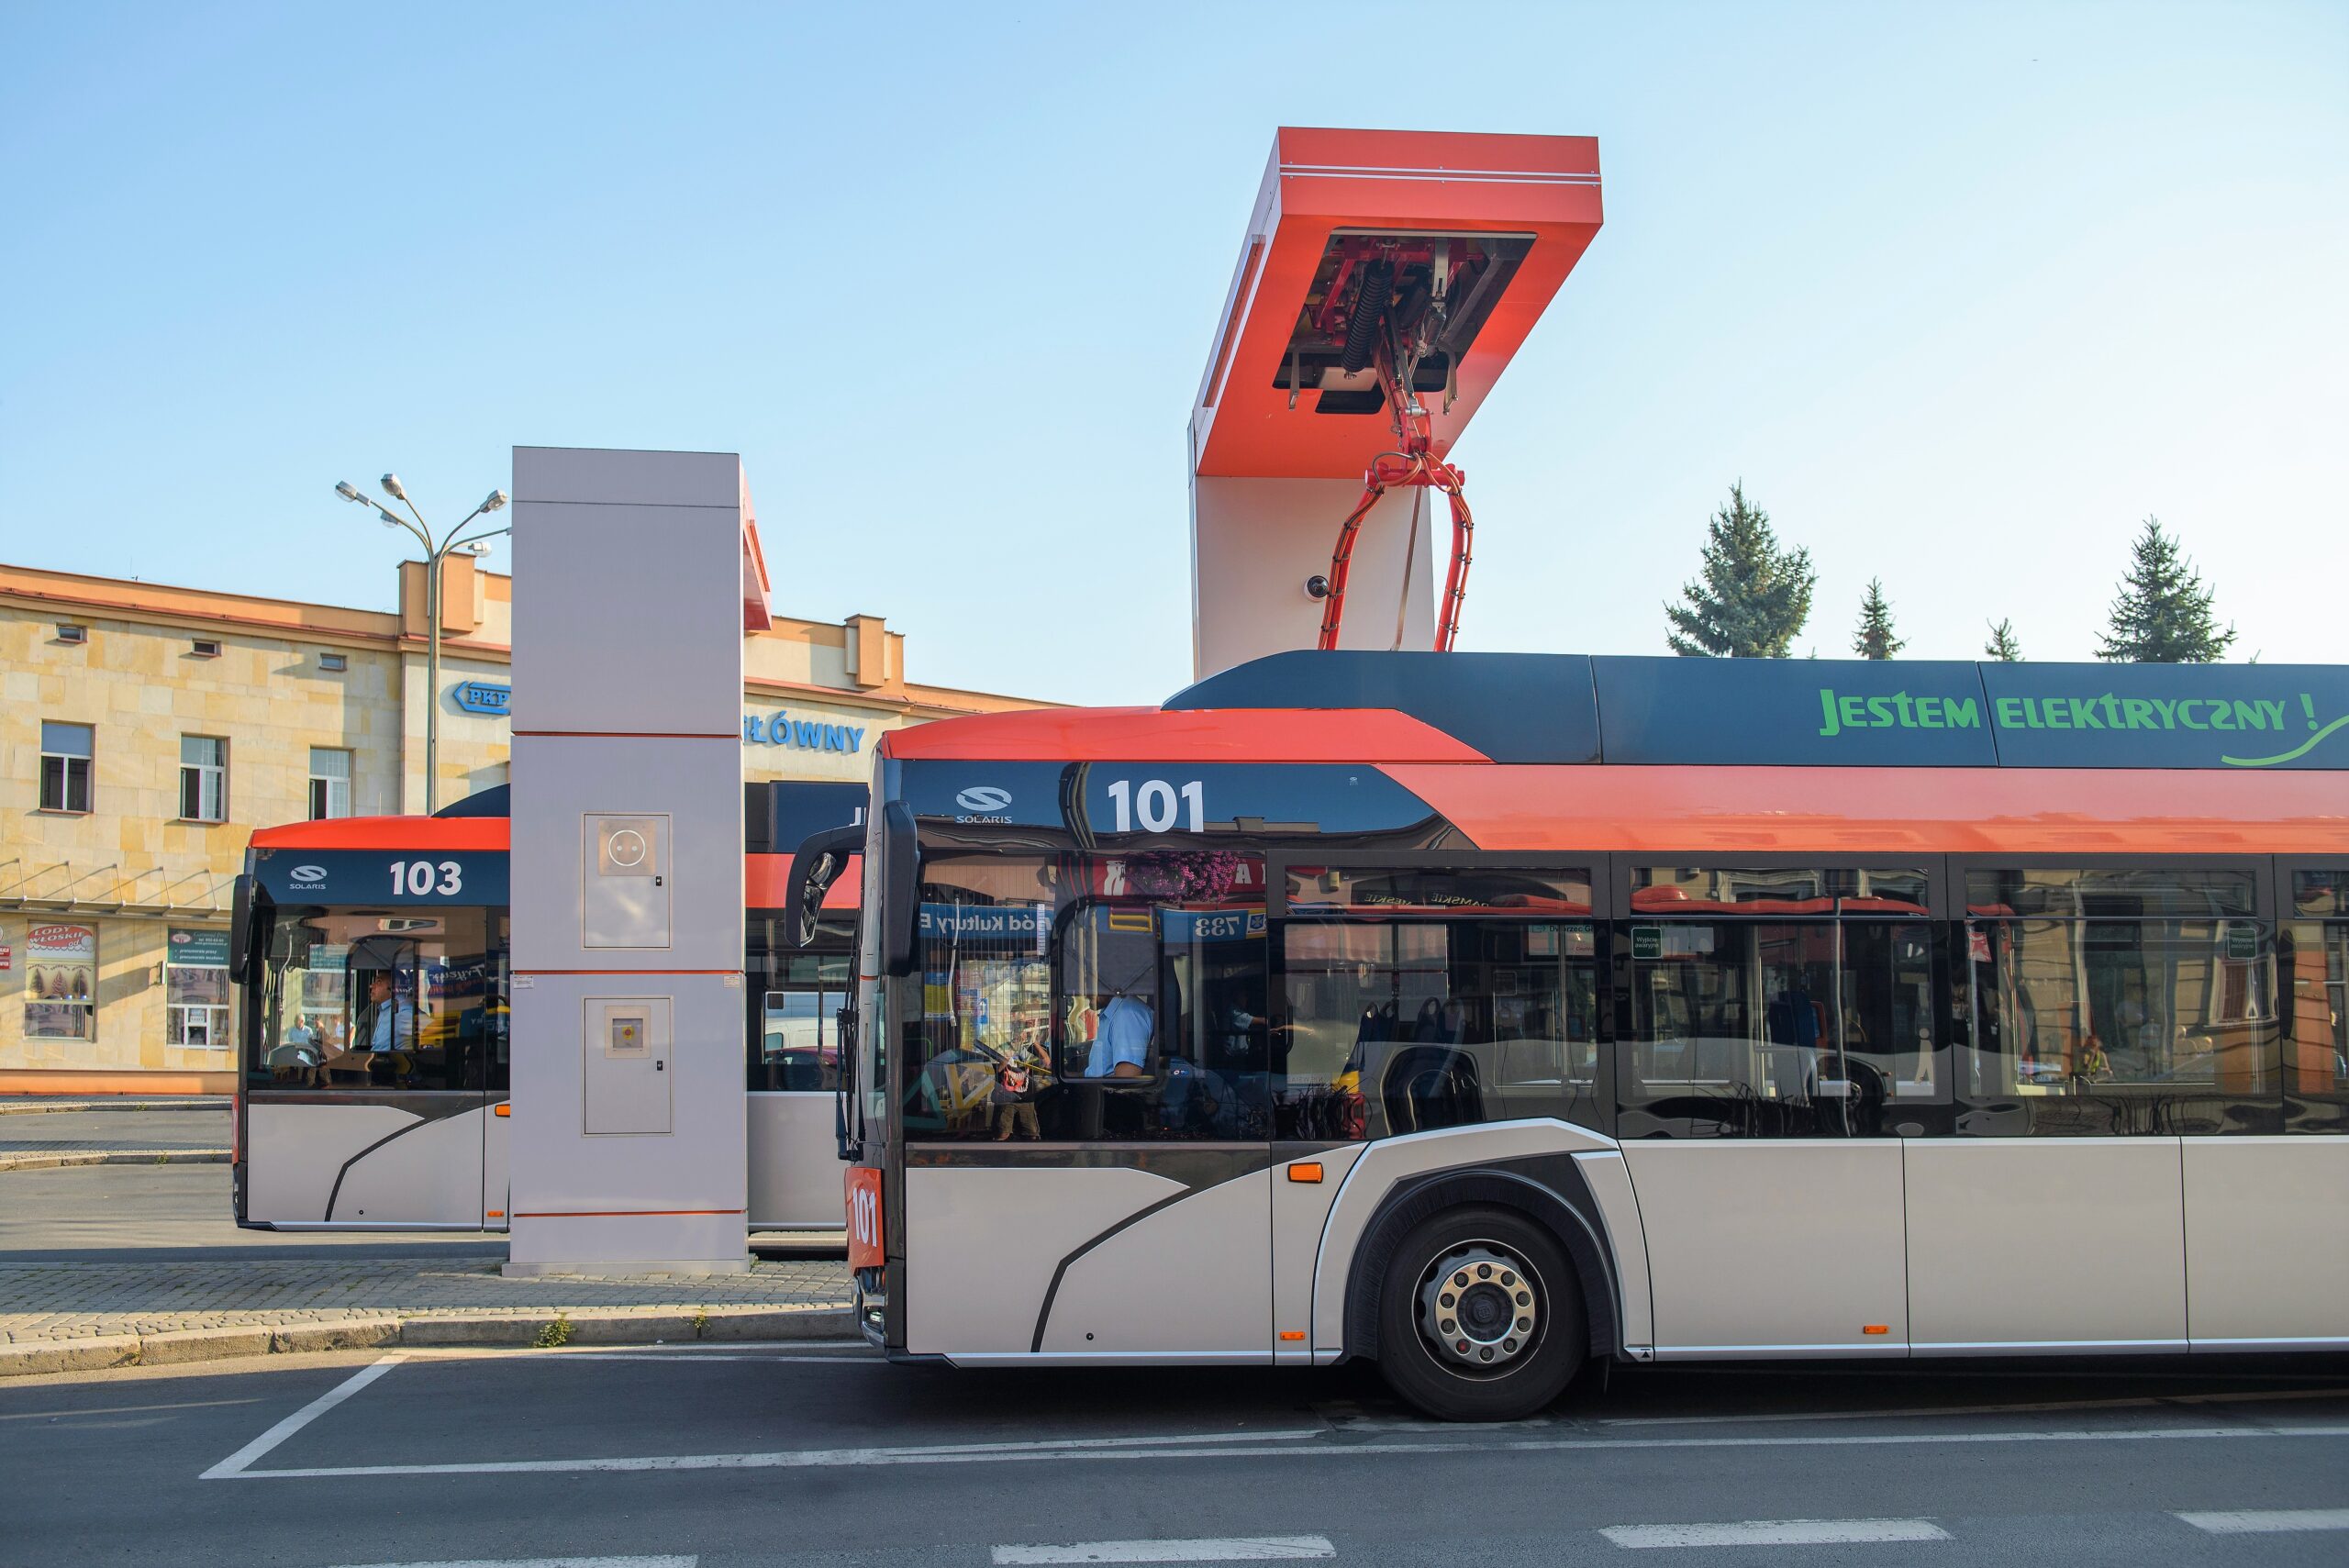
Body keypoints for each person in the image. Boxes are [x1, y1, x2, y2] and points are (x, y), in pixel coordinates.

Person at [1085, 990, 1153, 1078]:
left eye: (1091, 983)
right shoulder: (1113, 1012)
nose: (1086, 994)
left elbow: (1126, 1080)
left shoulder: (1127, 1014)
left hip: (1104, 1090)